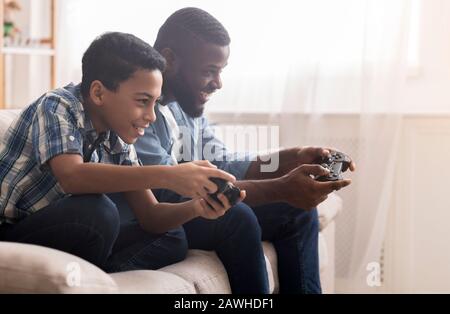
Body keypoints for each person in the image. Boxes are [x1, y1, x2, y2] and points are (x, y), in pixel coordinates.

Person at [113, 8, 356, 294]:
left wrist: (289, 158)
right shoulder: (136, 111)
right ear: (170, 60)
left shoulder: (186, 104)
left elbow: (223, 161)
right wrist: (281, 187)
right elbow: (173, 194)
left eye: (221, 71)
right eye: (209, 71)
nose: (218, 83)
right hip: (165, 215)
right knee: (238, 216)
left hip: (187, 203)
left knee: (297, 212)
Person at [0, 31, 241, 271]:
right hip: (11, 232)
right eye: (142, 101)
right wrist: (170, 175)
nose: (151, 116)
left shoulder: (118, 135)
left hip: (62, 231)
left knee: (172, 237)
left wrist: (197, 206)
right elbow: (72, 176)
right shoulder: (57, 106)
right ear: (98, 93)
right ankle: (92, 279)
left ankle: (100, 277)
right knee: (98, 212)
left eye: (155, 102)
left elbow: (151, 215)